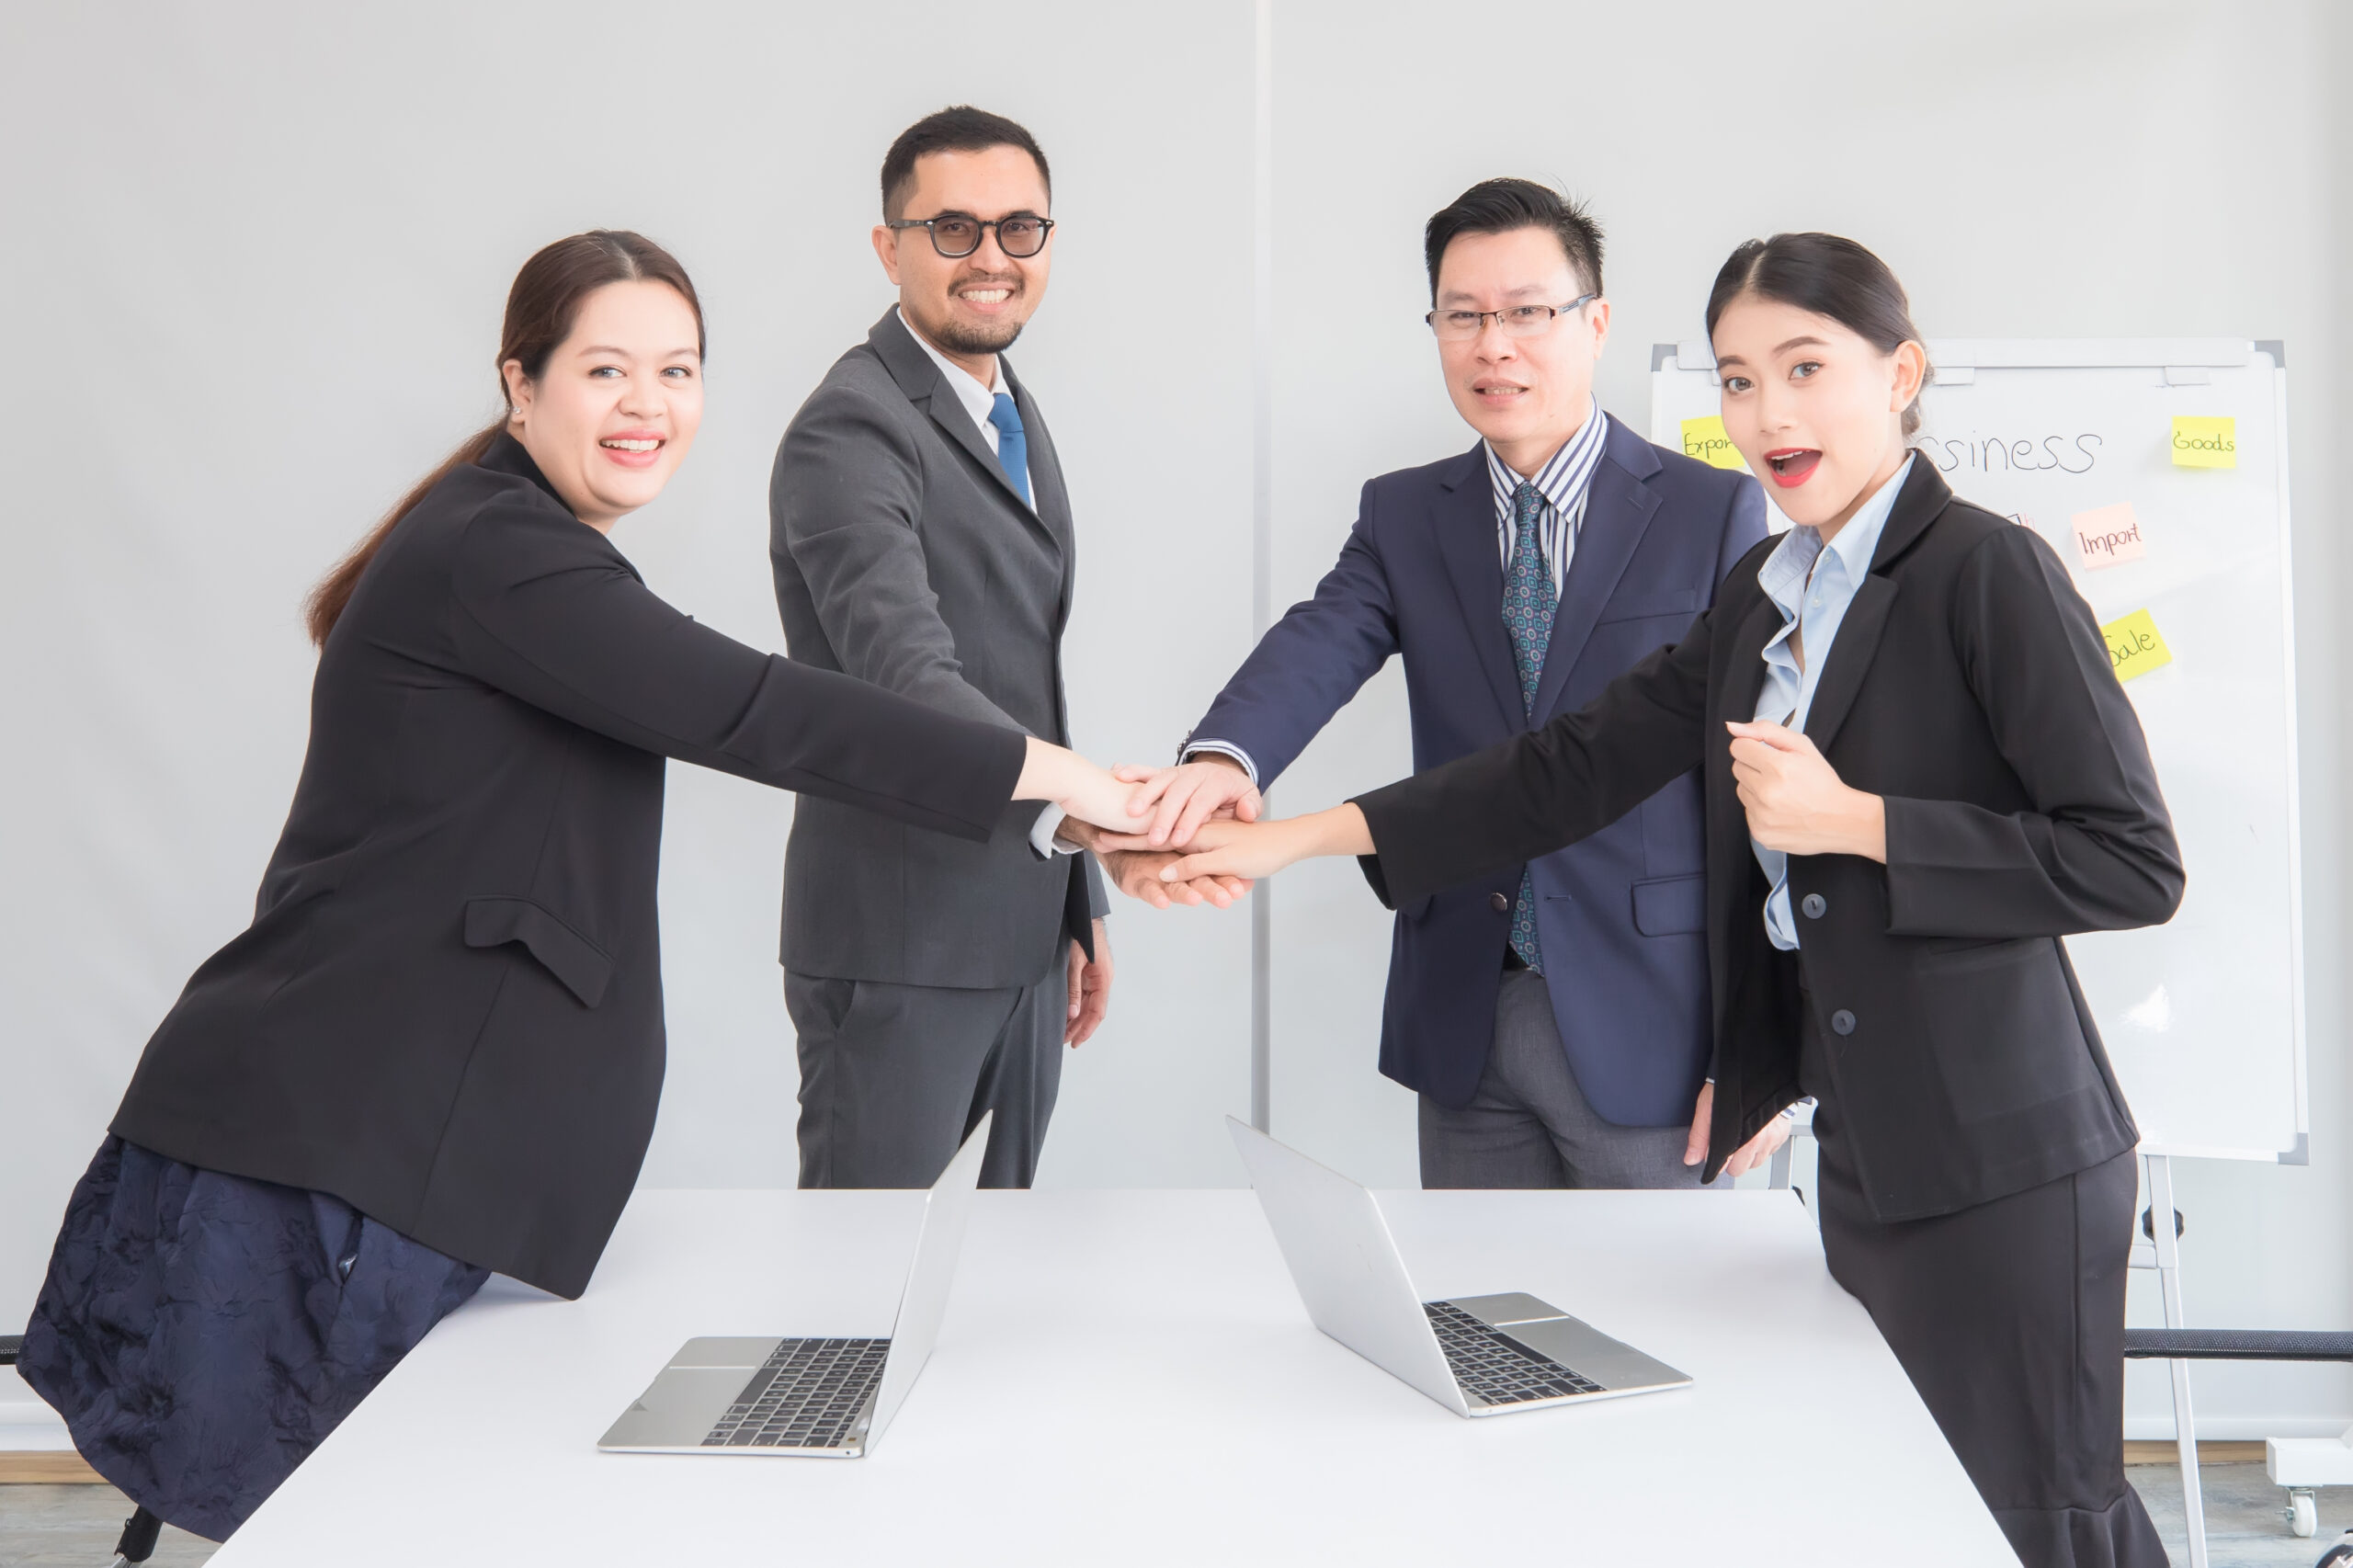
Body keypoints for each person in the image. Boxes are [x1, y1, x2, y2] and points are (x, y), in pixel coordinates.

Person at [18, 230, 1140, 1543]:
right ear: (521, 385)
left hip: (367, 1142)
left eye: (678, 370)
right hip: (328, 1154)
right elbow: (755, 710)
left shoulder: (513, 541)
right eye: (606, 369)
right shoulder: (501, 554)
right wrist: (1072, 781)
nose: (648, 406)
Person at [1128, 233, 2181, 1567]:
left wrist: (1852, 821)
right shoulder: (1766, 597)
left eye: (1805, 368)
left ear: (1901, 371)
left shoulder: (1986, 570)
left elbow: (2129, 858)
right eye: (1740, 382)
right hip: (1869, 1145)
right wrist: (1288, 841)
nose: (1769, 416)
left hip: (2004, 1153)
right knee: (1904, 1507)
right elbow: (1563, 772)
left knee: (2037, 1515)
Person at [1097, 179, 1772, 1190]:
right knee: (1487, 1331)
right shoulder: (1406, 513)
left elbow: (1759, 794)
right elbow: (1320, 641)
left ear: (1595, 323)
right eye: (1463, 316)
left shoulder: (1714, 512)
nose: (1493, 344)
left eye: (1526, 312)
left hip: (1658, 1018)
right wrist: (1216, 761)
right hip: (1465, 1003)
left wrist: (1761, 1045)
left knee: (1667, 1335)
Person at [769, 106, 1228, 1190]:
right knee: (863, 1293)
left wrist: (1076, 898)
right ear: (888, 247)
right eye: (954, 229)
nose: (992, 259)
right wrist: (1095, 811)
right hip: (902, 944)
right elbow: (909, 678)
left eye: (1020, 228)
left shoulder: (1002, 404)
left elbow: (1021, 675)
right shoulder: (852, 425)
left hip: (1020, 931)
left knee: (994, 1280)